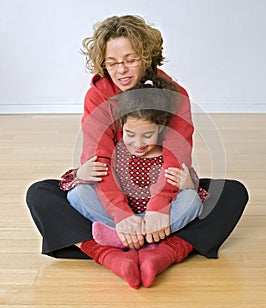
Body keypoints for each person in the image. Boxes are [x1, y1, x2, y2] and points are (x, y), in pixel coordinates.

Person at [26, 15, 249, 286]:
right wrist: (122, 216)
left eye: (130, 60)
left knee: (232, 193)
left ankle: (159, 254)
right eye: (113, 63)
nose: (122, 71)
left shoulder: (173, 94)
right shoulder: (99, 95)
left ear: (146, 57)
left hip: (160, 199)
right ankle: (115, 254)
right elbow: (99, 162)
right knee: (41, 193)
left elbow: (175, 157)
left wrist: (157, 208)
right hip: (113, 199)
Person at [61, 75, 210, 288]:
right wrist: (81, 174)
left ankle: (122, 241)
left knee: (192, 200)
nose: (138, 143)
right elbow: (85, 184)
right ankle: (147, 244)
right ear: (121, 125)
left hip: (157, 221)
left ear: (161, 129)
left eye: (147, 135)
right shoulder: (115, 151)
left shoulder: (168, 156)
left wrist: (188, 185)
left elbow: (191, 192)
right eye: (130, 134)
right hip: (121, 219)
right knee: (77, 194)